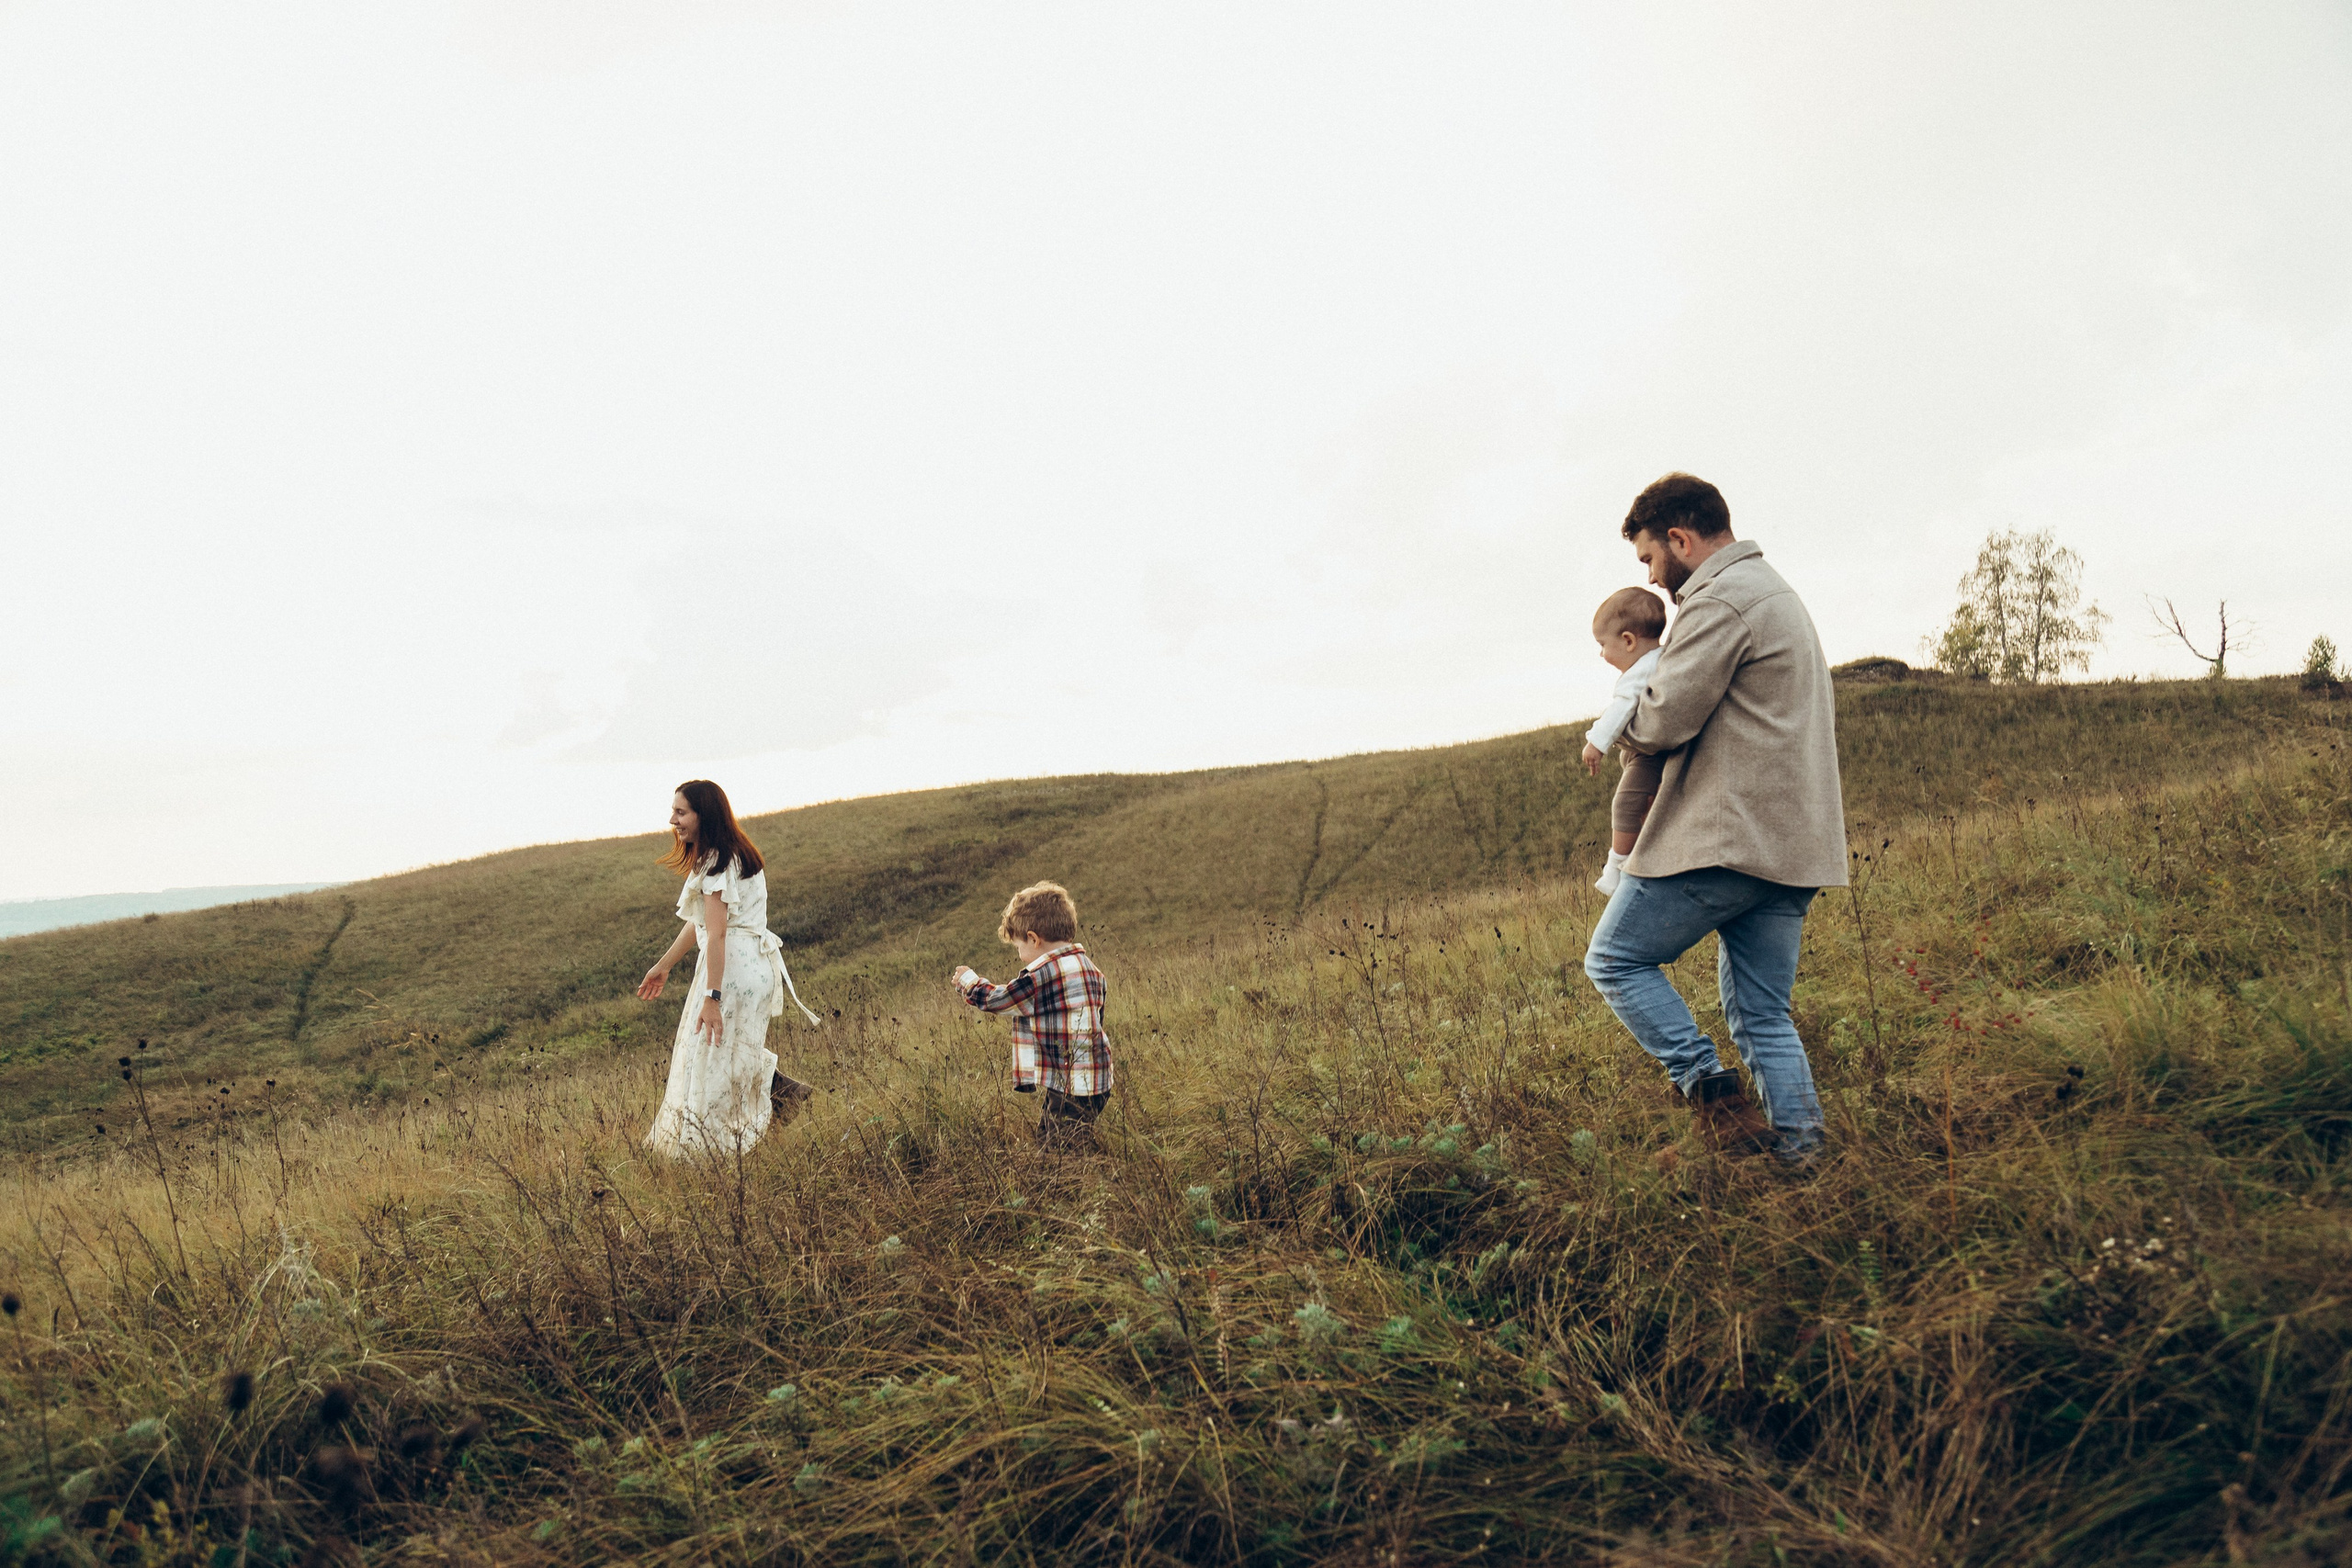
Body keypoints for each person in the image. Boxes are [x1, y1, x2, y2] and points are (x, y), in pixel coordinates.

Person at [1581, 473, 1848, 1164]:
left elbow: (1666, 715)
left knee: (1614, 959)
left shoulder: (1720, 598)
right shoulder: (1773, 591)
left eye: (1648, 558)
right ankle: (1805, 1163)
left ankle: (1714, 1096)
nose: (1651, 575)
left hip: (1724, 842)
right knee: (1763, 1015)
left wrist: (1621, 727)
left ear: (1679, 538)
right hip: (1791, 847)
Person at [637, 779, 822, 1158]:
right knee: (730, 1050)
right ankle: (785, 1092)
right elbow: (703, 923)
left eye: (681, 812)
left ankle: (711, 1150)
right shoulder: (736, 854)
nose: (673, 820)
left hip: (732, 970)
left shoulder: (716, 863)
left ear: (705, 815)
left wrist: (712, 997)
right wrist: (664, 965)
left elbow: (717, 935)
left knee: (709, 1057)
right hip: (754, 966)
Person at [950, 881, 1114, 1150]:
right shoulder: (1090, 969)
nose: (1019, 955)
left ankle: (1088, 1186)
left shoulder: (1043, 976)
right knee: (1051, 1136)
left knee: (1067, 1149)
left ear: (1034, 939)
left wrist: (969, 982)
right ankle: (1059, 1176)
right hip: (1095, 1078)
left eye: (1018, 946)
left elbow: (1000, 999)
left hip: (1071, 1083)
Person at [1580, 585, 1671, 897]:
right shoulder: (1666, 656)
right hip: (1653, 752)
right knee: (1644, 803)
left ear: (1628, 641)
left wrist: (1596, 743)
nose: (1602, 653)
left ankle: (1616, 866)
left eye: (1603, 645)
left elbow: (1621, 708)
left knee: (1626, 803)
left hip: (1650, 756)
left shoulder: (1639, 671)